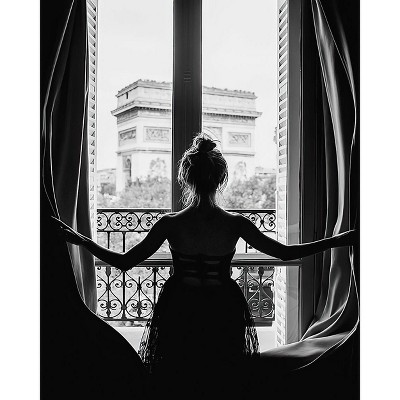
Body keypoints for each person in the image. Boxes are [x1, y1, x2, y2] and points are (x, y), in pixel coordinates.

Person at [54, 133, 355, 399]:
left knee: (178, 376)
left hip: (180, 305)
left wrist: (80, 239)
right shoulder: (236, 223)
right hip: (222, 306)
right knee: (222, 376)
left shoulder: (170, 223)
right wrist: (338, 240)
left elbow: (123, 261)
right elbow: (284, 253)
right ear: (221, 178)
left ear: (186, 178)